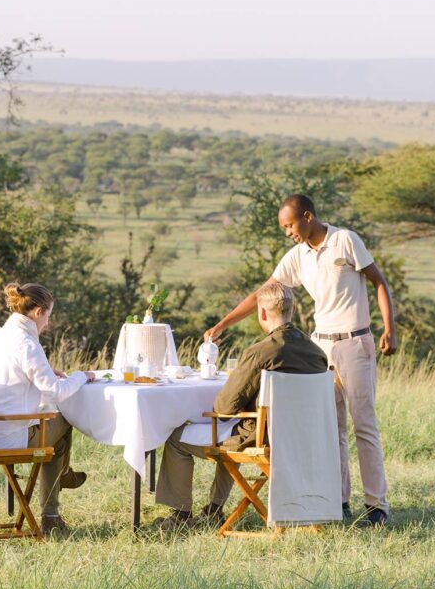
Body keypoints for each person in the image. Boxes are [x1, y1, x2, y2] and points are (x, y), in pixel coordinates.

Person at [205, 194, 396, 527]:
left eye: (290, 225)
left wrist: (389, 330)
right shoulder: (297, 256)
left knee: (364, 425)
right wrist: (223, 323)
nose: (288, 232)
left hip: (355, 342)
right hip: (321, 349)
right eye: (284, 227)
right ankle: (340, 502)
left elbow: (379, 282)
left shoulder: (345, 240)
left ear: (308, 217)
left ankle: (376, 506)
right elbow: (263, 294)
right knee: (331, 428)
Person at [154, 280, 327, 530]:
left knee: (177, 439)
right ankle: (213, 510)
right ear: (292, 310)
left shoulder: (260, 352)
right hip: (304, 440)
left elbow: (224, 408)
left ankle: (181, 516)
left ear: (263, 313)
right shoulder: (317, 353)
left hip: (263, 439)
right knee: (237, 430)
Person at [0, 282, 94, 535]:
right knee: (65, 419)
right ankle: (57, 494)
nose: (48, 324)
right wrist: (82, 375)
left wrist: (46, 372)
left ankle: (59, 490)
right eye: (48, 316)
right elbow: (57, 391)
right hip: (11, 438)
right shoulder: (28, 345)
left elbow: (7, 373)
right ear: (38, 312)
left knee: (54, 437)